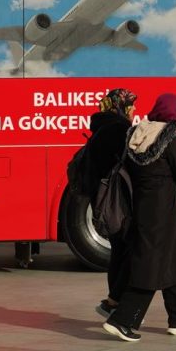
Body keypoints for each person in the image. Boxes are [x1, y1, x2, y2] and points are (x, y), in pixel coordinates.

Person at [101, 93, 176, 341]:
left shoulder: (136, 135)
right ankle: (122, 320)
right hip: (162, 214)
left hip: (141, 209)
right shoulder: (171, 139)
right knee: (151, 267)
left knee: (173, 259)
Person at [75, 88, 140, 319]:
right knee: (130, 250)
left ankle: (113, 300)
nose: (134, 110)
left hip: (103, 199)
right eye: (131, 106)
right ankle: (113, 302)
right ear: (119, 105)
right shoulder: (119, 129)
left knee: (119, 251)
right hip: (119, 201)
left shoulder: (101, 127)